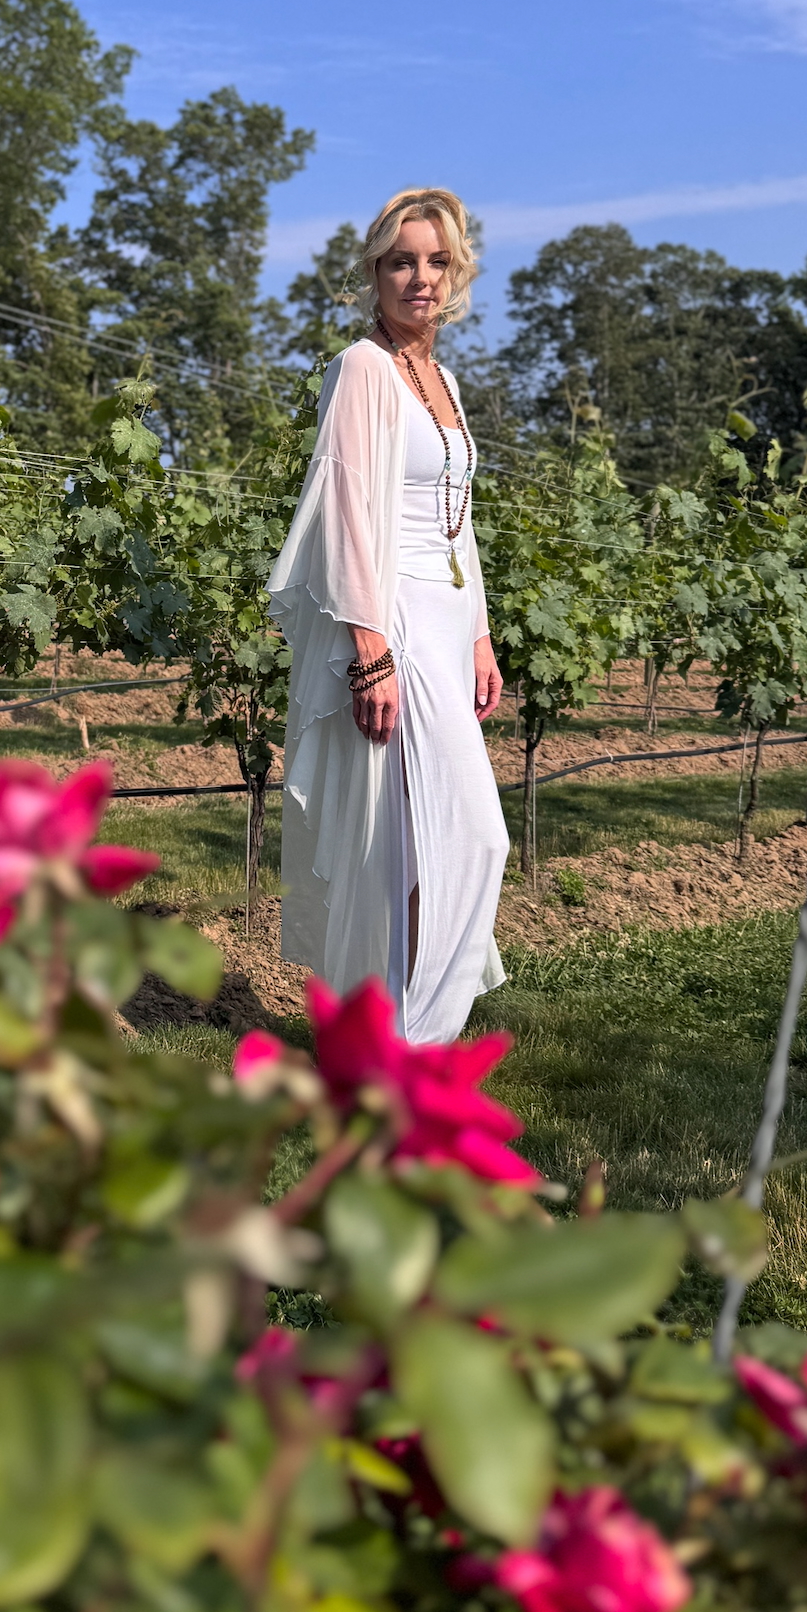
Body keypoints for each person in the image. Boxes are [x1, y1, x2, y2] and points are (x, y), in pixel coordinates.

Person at [268, 187, 508, 1042]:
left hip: (448, 624)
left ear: (458, 274)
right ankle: (417, 1044)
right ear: (374, 271)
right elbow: (346, 514)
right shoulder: (362, 367)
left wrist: (478, 633)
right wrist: (368, 651)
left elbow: (459, 514)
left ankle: (391, 1040)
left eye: (437, 262)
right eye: (402, 261)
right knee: (472, 839)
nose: (421, 278)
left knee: (418, 845)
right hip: (395, 619)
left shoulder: (441, 377)